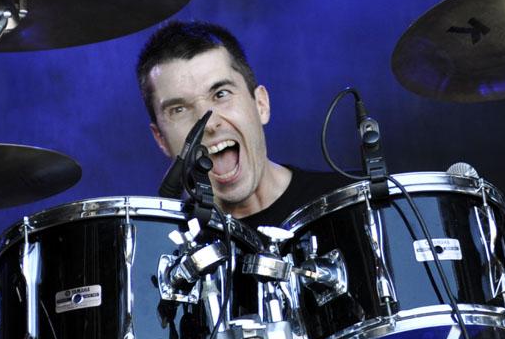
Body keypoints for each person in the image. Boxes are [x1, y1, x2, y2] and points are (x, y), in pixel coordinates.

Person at [136, 20, 349, 228]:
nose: (209, 125)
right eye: (179, 110)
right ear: (160, 139)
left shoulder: (347, 202)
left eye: (221, 94)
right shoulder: (167, 244)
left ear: (261, 104)